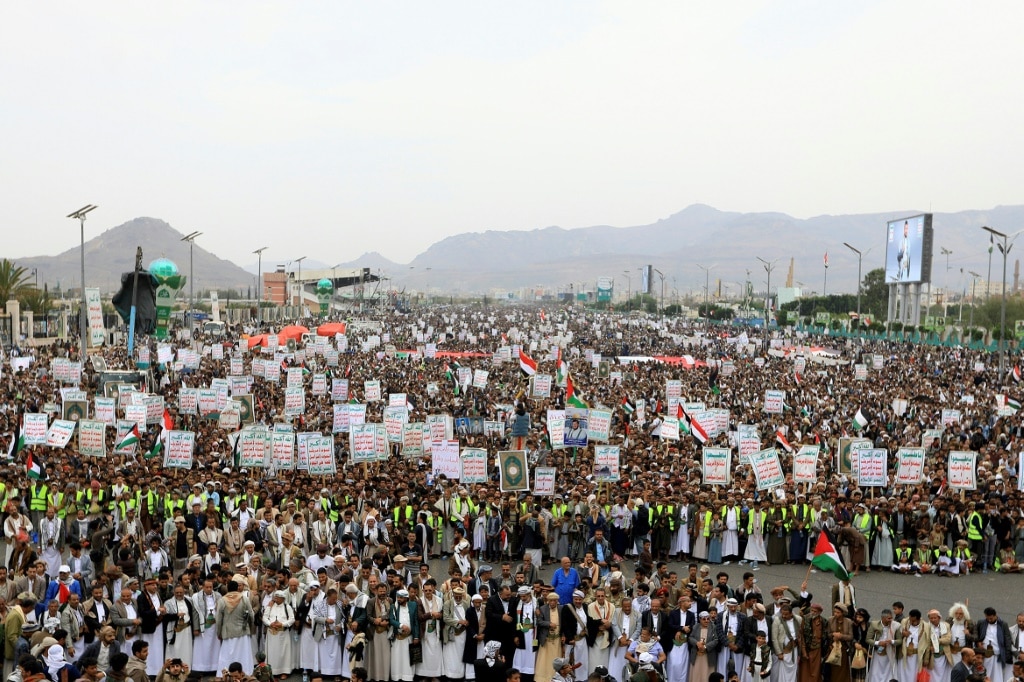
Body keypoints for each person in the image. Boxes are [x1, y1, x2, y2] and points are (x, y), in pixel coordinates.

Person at [215, 580, 255, 675]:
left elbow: (218, 619)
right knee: (243, 654)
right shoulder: (244, 599)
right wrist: (249, 626)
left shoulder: (222, 600)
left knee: (227, 654)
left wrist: (219, 632)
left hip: (228, 631)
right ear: (237, 588)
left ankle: (225, 674)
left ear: (227, 588)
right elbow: (251, 615)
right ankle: (246, 673)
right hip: (243, 631)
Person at [688, 612, 716, 682]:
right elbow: (690, 638)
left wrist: (705, 647)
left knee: (706, 673)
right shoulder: (695, 627)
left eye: (708, 619)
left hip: (708, 654)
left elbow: (716, 640)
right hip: (696, 654)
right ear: (700, 619)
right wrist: (697, 643)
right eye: (704, 619)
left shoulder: (713, 627)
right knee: (696, 672)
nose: (706, 621)